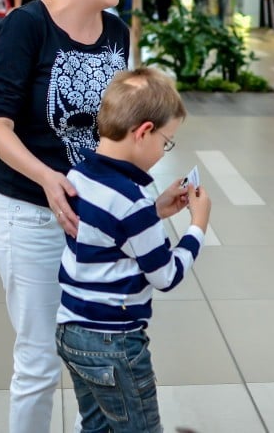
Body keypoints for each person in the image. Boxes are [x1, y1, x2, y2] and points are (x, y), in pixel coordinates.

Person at [0, 0, 159, 433]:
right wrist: (46, 177)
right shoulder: (24, 27)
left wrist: (144, 193)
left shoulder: (116, 32)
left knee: (100, 360)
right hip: (31, 220)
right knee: (38, 363)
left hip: (96, 227)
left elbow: (118, 131)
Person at [56, 67, 211, 433]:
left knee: (96, 427)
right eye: (166, 141)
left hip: (71, 331)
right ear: (143, 132)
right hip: (116, 342)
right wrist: (197, 226)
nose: (163, 149)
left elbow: (108, 234)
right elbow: (165, 275)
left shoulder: (80, 174)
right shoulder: (132, 200)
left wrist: (155, 209)